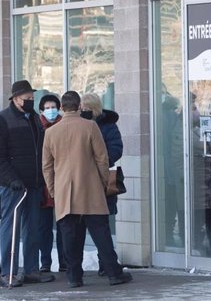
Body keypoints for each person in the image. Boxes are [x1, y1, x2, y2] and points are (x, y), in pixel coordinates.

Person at [42, 91, 132, 288]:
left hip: (65, 191)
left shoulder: (51, 132)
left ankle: (74, 277)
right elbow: (102, 158)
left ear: (62, 108)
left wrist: (53, 190)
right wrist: (101, 182)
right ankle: (113, 273)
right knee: (101, 233)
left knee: (69, 236)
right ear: (78, 107)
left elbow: (47, 167)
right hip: (91, 188)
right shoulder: (90, 126)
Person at [0, 80, 54, 288]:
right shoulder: (2, 120)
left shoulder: (34, 118)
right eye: (27, 99)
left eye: (32, 99)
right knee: (12, 229)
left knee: (32, 228)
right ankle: (8, 272)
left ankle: (31, 269)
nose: (30, 102)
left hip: (33, 183)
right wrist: (11, 179)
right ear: (16, 99)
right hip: (13, 186)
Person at [80, 93, 124, 273]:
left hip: (102, 178)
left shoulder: (108, 126)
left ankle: (105, 263)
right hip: (82, 178)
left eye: (87, 108)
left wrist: (100, 163)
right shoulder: (79, 125)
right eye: (81, 108)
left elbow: (116, 148)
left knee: (102, 224)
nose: (83, 111)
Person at [38, 93, 66, 273]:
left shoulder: (64, 126)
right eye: (47, 108)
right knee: (44, 227)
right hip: (42, 183)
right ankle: (45, 262)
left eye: (53, 107)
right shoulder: (36, 127)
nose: (50, 111)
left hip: (62, 179)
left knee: (64, 226)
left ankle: (65, 261)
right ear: (41, 110)